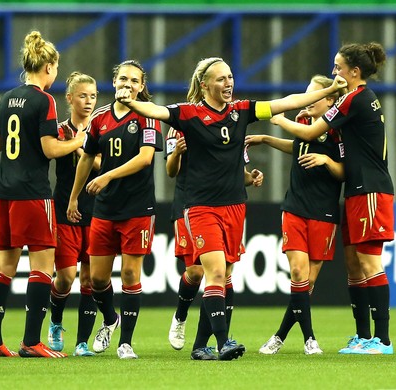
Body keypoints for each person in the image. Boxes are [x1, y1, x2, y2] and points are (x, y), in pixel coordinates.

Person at [115, 57, 346, 360]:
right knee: (213, 271)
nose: (228, 83)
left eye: (230, 77)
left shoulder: (242, 111)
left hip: (235, 206)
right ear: (204, 85)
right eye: (221, 79)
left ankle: (200, 346)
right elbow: (156, 111)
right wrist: (131, 102)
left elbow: (287, 101)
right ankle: (224, 341)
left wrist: (328, 90)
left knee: (224, 276)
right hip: (200, 207)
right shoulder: (188, 114)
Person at [268, 42, 395, 355]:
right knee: (354, 265)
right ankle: (363, 336)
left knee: (369, 262)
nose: (334, 73)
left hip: (370, 189)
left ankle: (382, 340)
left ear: (354, 72)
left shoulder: (353, 97)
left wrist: (280, 119)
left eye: (338, 68)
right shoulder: (359, 100)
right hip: (356, 189)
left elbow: (311, 136)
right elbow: (320, 138)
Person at [67, 60, 163, 360]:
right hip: (106, 208)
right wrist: (73, 198)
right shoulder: (99, 119)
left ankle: (126, 342)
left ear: (142, 86)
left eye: (135, 80)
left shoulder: (148, 116)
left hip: (138, 206)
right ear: (114, 82)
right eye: (123, 79)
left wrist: (107, 175)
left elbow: (146, 158)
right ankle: (111, 319)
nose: (129, 84)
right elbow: (87, 158)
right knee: (96, 279)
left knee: (131, 274)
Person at [0, 31, 85, 358]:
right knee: (42, 265)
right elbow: (50, 150)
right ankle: (31, 342)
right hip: (33, 193)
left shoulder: (7, 98)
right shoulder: (44, 100)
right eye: (56, 67)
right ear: (48, 66)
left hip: (4, 191)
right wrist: (79, 141)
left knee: (4, 266)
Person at [248, 75, 344, 355]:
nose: (309, 99)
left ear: (329, 99)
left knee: (308, 283)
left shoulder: (339, 130)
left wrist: (327, 160)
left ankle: (279, 336)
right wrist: (267, 138)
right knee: (299, 273)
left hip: (325, 211)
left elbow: (345, 172)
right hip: (295, 207)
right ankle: (310, 338)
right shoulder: (303, 124)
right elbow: (299, 147)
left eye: (315, 94)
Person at [166, 125, 263, 351]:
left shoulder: (234, 127)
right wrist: (177, 153)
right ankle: (181, 316)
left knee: (224, 272)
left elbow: (239, 174)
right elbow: (171, 171)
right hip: (190, 205)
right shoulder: (180, 127)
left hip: (227, 206)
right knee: (196, 272)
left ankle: (214, 342)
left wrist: (252, 178)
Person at [47, 72, 100, 357]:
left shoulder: (100, 129)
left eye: (92, 96)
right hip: (65, 210)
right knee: (66, 277)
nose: (88, 101)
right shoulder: (59, 130)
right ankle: (55, 322)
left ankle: (82, 342)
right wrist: (74, 144)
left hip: (95, 211)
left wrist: (83, 149)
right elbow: (51, 153)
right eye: (82, 96)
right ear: (69, 99)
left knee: (89, 279)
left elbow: (102, 165)